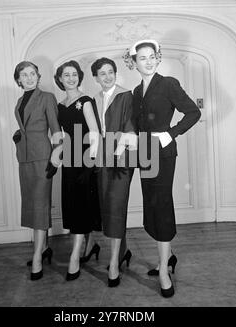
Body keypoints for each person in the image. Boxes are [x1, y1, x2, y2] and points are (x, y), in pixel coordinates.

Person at [126, 39, 201, 297]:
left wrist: (171, 133)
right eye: (141, 58)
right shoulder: (137, 91)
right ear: (134, 63)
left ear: (158, 59)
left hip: (163, 154)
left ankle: (163, 271)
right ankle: (166, 258)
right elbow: (137, 124)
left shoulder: (168, 83)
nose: (147, 61)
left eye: (151, 57)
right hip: (144, 154)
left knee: (162, 204)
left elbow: (193, 112)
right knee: (152, 205)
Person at [91, 57, 138, 287]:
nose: (107, 76)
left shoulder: (126, 95)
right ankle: (123, 252)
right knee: (108, 206)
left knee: (117, 205)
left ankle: (112, 264)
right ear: (96, 78)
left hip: (121, 159)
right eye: (102, 73)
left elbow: (130, 127)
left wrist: (119, 155)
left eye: (111, 72)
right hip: (102, 160)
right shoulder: (95, 99)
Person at [13, 61, 62, 281]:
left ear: (38, 76)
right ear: (18, 80)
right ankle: (43, 249)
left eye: (33, 74)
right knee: (32, 204)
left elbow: (56, 130)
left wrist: (56, 155)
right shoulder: (19, 100)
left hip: (43, 158)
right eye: (24, 75)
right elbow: (26, 126)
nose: (29, 77)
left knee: (40, 204)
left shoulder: (47, 98)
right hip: (24, 158)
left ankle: (37, 258)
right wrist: (18, 135)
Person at [54, 60, 102, 281]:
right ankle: (90, 245)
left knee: (82, 207)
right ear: (60, 79)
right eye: (66, 75)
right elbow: (64, 135)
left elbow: (94, 133)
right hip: (70, 161)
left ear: (79, 77)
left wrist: (90, 164)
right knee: (75, 206)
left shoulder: (85, 102)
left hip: (85, 161)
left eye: (74, 74)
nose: (71, 78)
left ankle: (75, 257)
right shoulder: (60, 105)